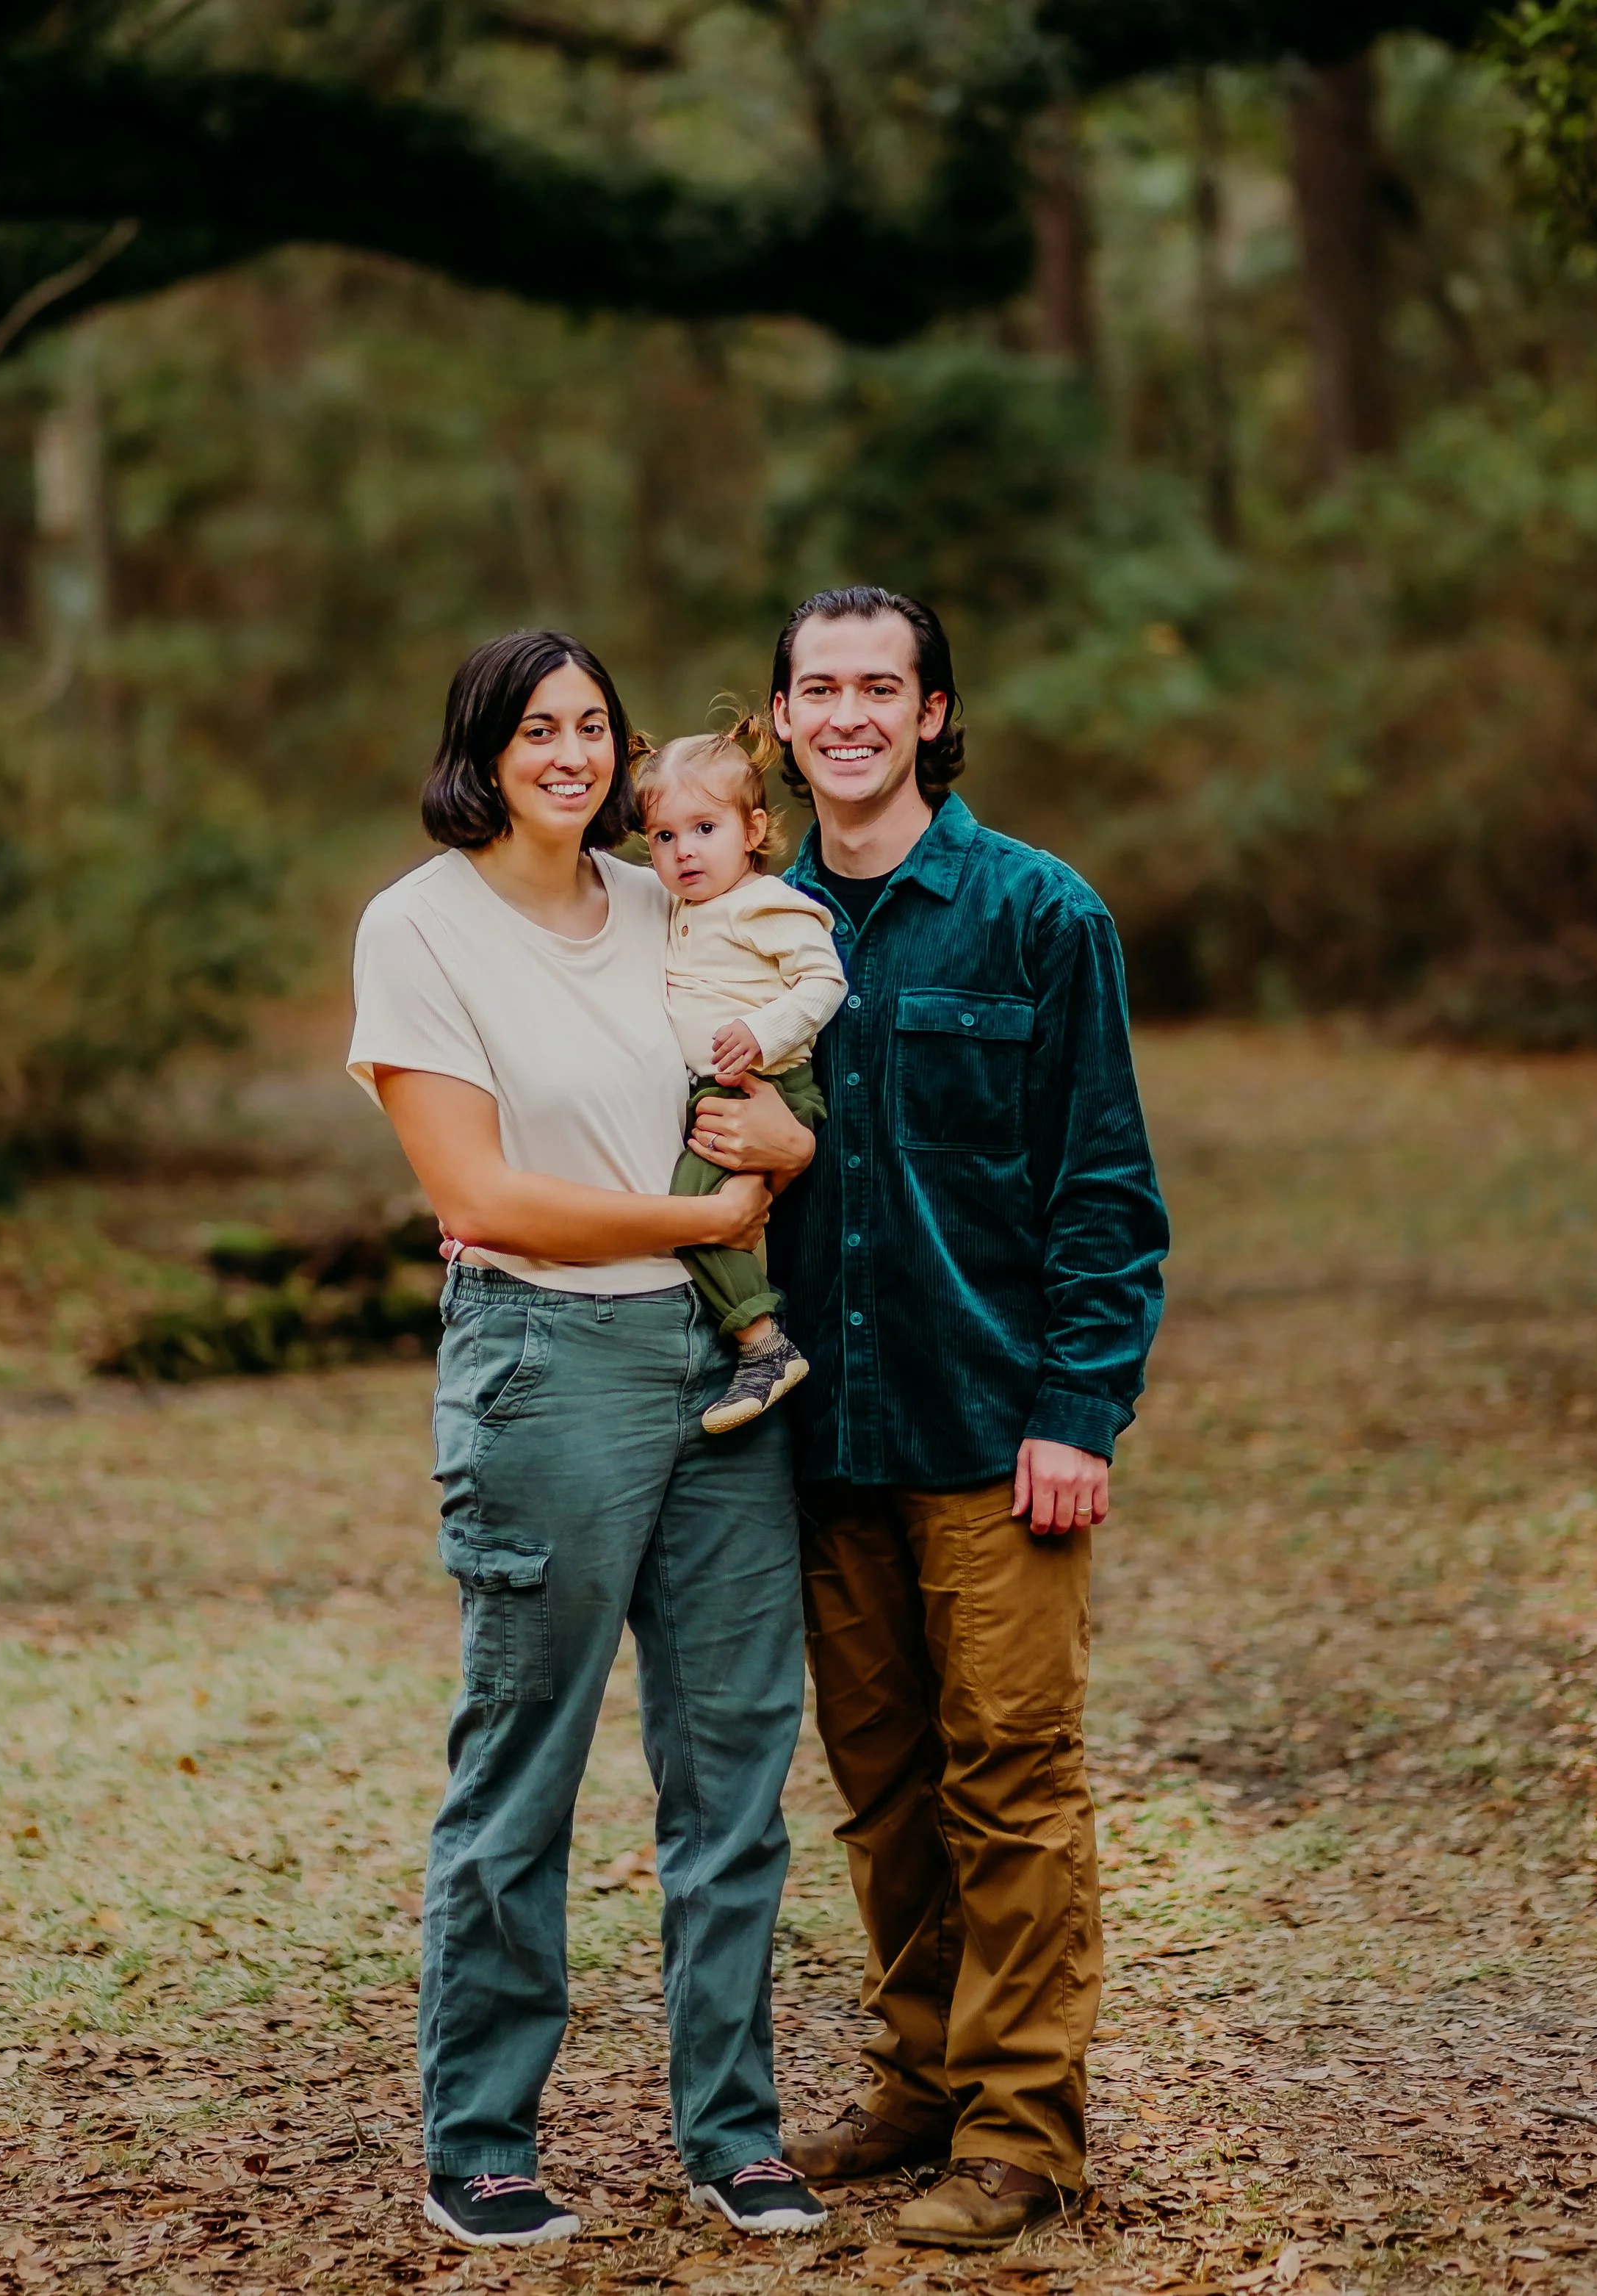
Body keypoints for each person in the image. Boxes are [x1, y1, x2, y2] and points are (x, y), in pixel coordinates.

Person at [697, 586, 1169, 2247]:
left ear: (933, 712)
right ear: (777, 719)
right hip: (822, 1440)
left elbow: (1104, 1190)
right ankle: (921, 2075)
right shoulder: (734, 924)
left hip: (993, 1430)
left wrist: (1078, 1411)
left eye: (876, 688)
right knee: (882, 1780)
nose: (846, 714)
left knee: (1012, 1780)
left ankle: (1026, 2127)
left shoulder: (1041, 915)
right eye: (816, 689)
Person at [345, 629, 830, 2248]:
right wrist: (701, 1207)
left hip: (719, 1366)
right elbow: (475, 1193)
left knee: (733, 1768)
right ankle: (479, 2135)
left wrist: (779, 1145)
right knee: (524, 1758)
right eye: (535, 726)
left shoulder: (662, 902)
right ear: (478, 748)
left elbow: (767, 1062)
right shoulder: (417, 928)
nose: (569, 752)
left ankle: (734, 2128)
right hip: (546, 1360)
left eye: (591, 726)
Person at [636, 724, 846, 1433]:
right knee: (705, 1219)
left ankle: (763, 1346)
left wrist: (763, 1032)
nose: (684, 849)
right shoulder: (677, 910)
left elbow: (824, 982)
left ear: (753, 829)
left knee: (693, 1216)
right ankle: (751, 1337)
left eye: (704, 827)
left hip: (769, 1090)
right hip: (715, 1093)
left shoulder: (765, 903)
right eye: (663, 837)